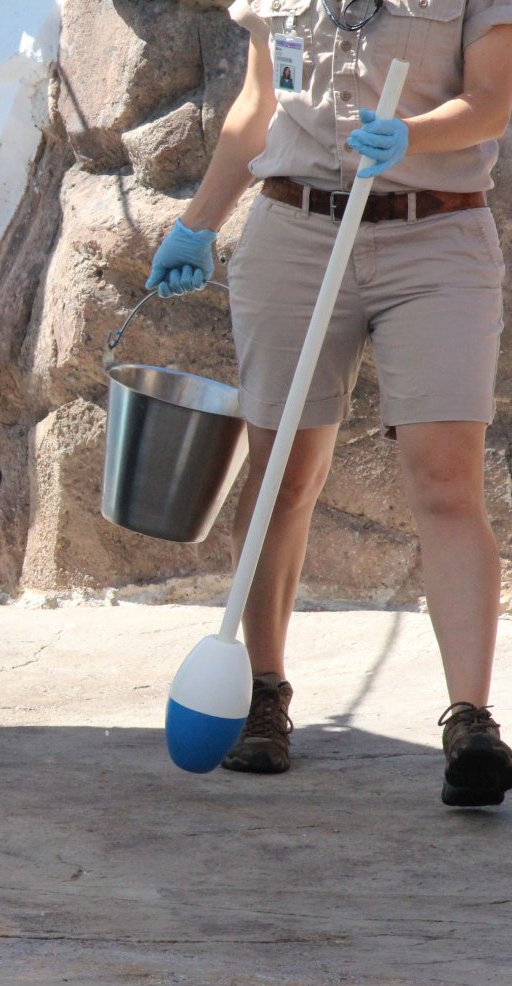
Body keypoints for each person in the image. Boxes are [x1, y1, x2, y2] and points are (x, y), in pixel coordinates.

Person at [146, 0, 512, 806]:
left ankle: (471, 720)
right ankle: (264, 694)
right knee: (282, 472)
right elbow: (259, 104)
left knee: (445, 479)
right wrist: (198, 224)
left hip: (435, 234)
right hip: (296, 230)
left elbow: (494, 99)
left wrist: (414, 137)